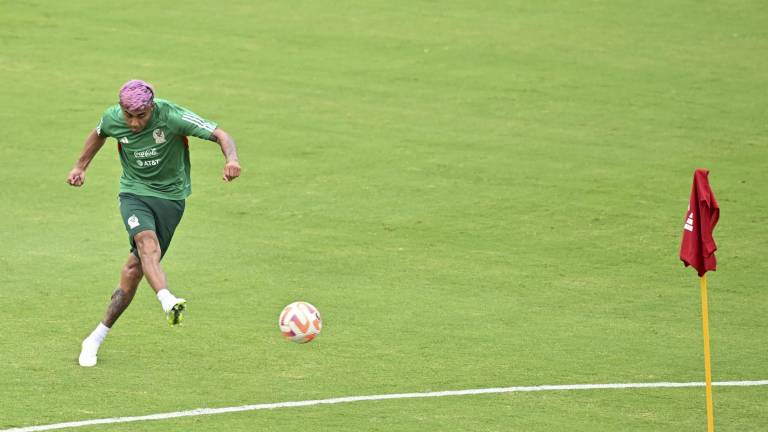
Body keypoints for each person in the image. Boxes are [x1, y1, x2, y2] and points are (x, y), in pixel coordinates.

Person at [67, 79, 241, 367]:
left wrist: (231, 159)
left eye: (141, 116)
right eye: (128, 116)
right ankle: (166, 298)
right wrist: (80, 167)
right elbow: (98, 134)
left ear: (151, 108)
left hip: (171, 199)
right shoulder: (113, 117)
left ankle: (95, 337)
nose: (134, 124)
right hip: (134, 193)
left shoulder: (172, 116)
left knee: (134, 269)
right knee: (146, 242)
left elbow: (221, 134)